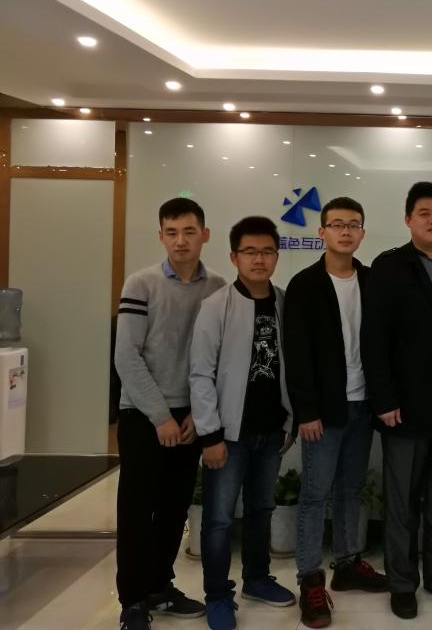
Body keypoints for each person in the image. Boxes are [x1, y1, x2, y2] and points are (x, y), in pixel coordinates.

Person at [362, 181, 432, 620]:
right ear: (408, 219)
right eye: (425, 213)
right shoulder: (389, 266)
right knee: (403, 499)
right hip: (406, 404)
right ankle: (402, 582)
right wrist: (384, 398)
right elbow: (374, 339)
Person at [114, 197, 226, 630]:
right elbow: (127, 356)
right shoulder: (140, 284)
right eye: (172, 232)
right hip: (143, 414)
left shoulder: (217, 287)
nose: (181, 241)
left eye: (189, 231)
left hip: (191, 415)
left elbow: (218, 357)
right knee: (137, 510)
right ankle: (132, 600)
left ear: (205, 235)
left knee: (175, 508)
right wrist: (160, 416)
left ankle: (160, 586)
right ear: (161, 236)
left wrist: (199, 414)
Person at [285, 197, 387, 629]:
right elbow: (296, 354)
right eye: (337, 224)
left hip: (363, 404)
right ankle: (310, 580)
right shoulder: (305, 284)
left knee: (350, 489)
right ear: (322, 231)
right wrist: (306, 411)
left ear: (362, 232)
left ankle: (347, 565)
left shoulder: (372, 279)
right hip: (323, 411)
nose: (346, 231)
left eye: (353, 225)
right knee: (315, 494)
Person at [190, 216, 296, 630]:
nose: (259, 259)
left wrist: (290, 421)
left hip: (271, 430)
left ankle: (257, 578)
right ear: (234, 257)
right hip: (228, 434)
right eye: (250, 251)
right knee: (218, 519)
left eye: (267, 251)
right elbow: (200, 373)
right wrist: (210, 435)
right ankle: (218, 595)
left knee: (261, 509)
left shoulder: (284, 302)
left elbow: (292, 368)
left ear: (276, 256)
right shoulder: (216, 306)